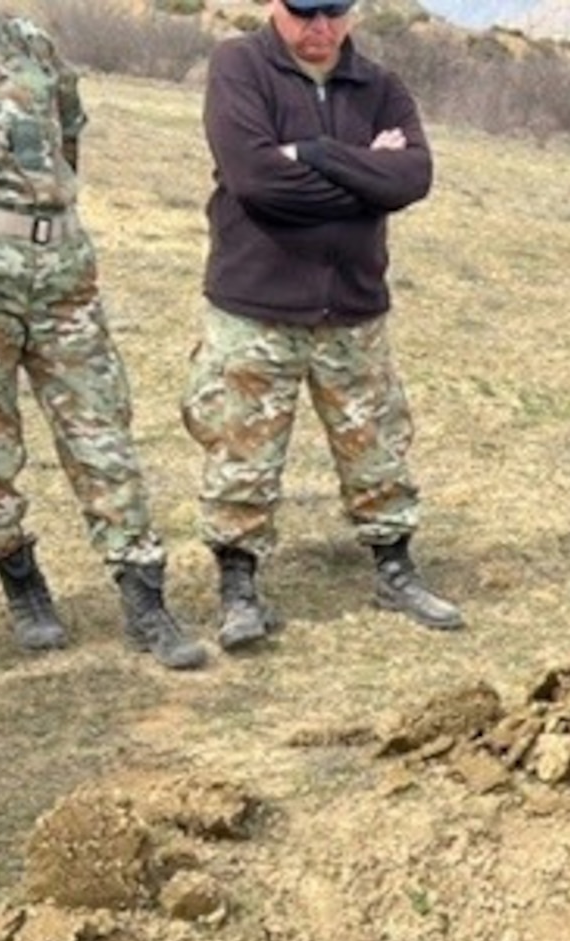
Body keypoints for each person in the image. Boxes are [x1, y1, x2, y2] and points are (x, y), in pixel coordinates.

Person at [0, 0, 207, 668]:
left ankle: (145, 601)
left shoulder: (34, 42)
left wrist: (46, 225)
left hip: (62, 275)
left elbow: (67, 139)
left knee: (103, 433)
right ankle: (21, 583)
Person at [184, 0, 461, 651]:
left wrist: (309, 151)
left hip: (353, 308)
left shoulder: (382, 87)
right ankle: (239, 588)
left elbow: (413, 177)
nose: (320, 28)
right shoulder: (238, 67)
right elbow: (256, 182)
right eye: (304, 12)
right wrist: (366, 173)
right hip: (255, 307)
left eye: (334, 12)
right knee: (241, 455)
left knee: (377, 451)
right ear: (273, 7)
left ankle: (394, 569)